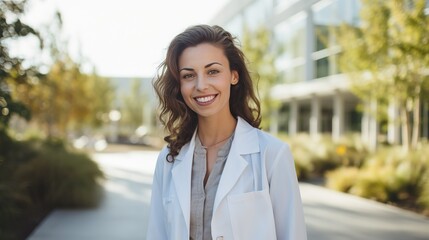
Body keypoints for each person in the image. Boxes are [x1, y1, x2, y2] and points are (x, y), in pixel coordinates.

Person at [147, 24, 307, 240]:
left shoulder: (272, 155)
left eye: (212, 71)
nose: (201, 85)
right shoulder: (168, 160)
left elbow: (293, 235)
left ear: (234, 75)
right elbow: (157, 235)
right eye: (188, 75)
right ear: (180, 85)